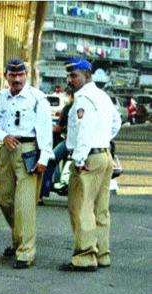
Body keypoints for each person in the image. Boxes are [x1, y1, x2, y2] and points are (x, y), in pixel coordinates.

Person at [0, 58, 53, 269]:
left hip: (28, 151)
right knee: (4, 199)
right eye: (12, 75)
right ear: (6, 76)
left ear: (26, 75)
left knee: (25, 205)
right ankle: (19, 238)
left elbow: (45, 130)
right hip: (7, 149)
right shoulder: (2, 96)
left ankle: (25, 252)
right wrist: (3, 136)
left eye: (20, 75)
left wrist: (43, 159)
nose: (16, 79)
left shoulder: (36, 98)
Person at [59, 58, 121, 272]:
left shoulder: (84, 98)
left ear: (87, 75)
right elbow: (116, 122)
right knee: (100, 209)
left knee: (81, 207)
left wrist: (79, 158)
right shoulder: (102, 96)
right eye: (69, 75)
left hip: (88, 157)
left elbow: (83, 129)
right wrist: (103, 139)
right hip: (104, 154)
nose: (70, 80)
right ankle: (102, 254)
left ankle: (85, 256)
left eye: (74, 75)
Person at [38, 89, 74, 204]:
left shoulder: (69, 108)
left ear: (70, 95)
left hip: (70, 143)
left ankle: (40, 194)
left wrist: (51, 129)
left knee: (49, 160)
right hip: (87, 144)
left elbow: (58, 128)